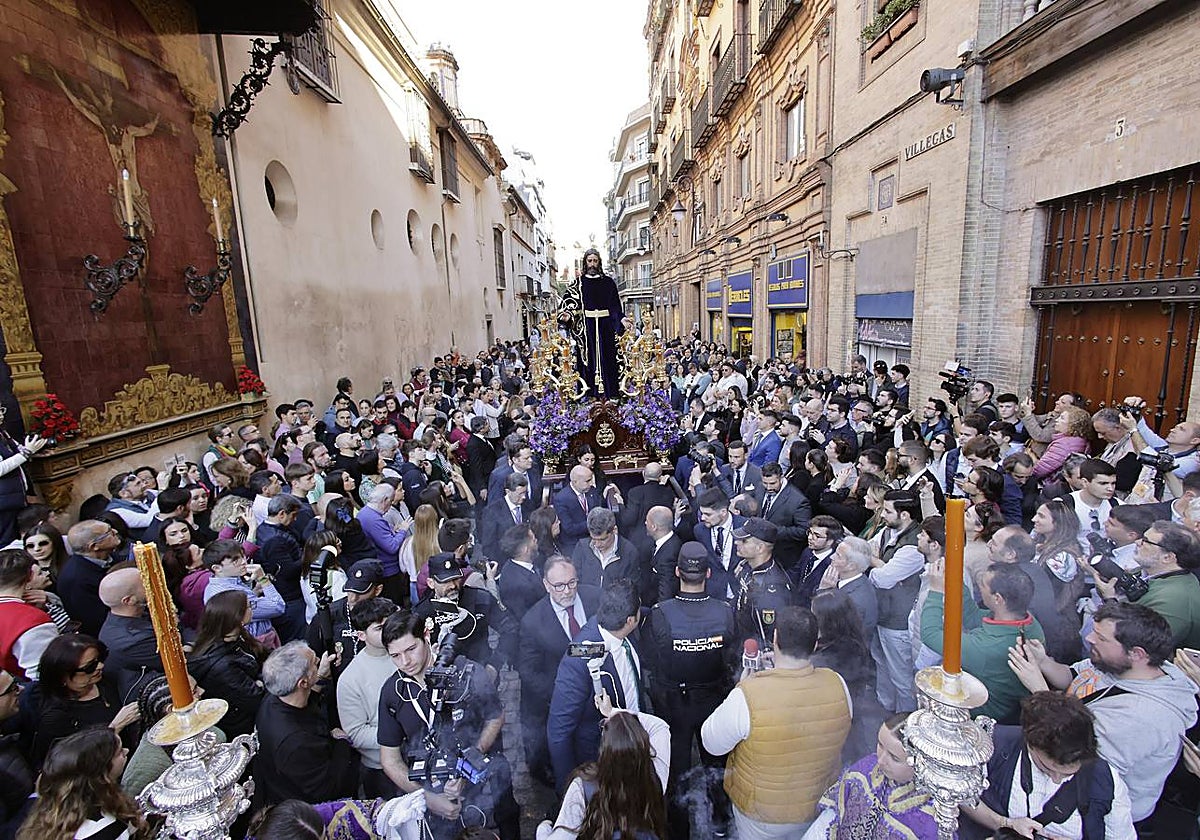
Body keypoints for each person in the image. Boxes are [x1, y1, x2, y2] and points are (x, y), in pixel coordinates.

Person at [1007, 600, 1198, 824]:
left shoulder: (1144, 716)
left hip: (1094, 805)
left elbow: (1075, 755)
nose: (1089, 638)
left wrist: (1039, 689)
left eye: (1101, 638)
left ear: (1137, 653)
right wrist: (1044, 663)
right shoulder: (1120, 664)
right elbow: (1075, 677)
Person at [702, 605, 852, 839]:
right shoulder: (838, 683)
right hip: (817, 805)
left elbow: (711, 743)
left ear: (775, 639)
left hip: (763, 816)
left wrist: (743, 687)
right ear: (814, 645)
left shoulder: (747, 696)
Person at [377, 610, 519, 840]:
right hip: (431, 793)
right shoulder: (393, 692)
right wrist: (428, 799)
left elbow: (495, 717)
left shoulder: (467, 672)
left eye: (411, 650)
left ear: (426, 635)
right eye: (395, 655)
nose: (405, 662)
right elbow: (390, 759)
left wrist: (468, 765)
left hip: (484, 784)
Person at [644, 544, 737, 838]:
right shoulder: (725, 612)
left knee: (677, 769)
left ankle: (678, 829)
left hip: (674, 702)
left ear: (676, 572)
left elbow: (650, 658)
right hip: (714, 699)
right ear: (708, 573)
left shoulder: (660, 614)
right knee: (716, 763)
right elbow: (731, 657)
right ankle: (720, 819)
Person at [961, 691, 1136, 840]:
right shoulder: (993, 745)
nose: (1056, 779)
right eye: (1046, 768)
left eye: (1067, 774)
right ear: (1030, 743)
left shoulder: (1106, 781)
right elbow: (961, 796)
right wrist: (1004, 823)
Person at [547, 579, 645, 791]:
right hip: (602, 758)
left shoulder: (623, 630)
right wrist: (571, 788)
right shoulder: (579, 657)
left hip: (633, 743)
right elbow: (558, 731)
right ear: (630, 620)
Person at [518, 557, 602, 788]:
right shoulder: (533, 622)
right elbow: (528, 670)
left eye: (572, 583)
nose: (567, 591)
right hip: (561, 701)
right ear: (546, 585)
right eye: (559, 586)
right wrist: (560, 696)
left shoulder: (595, 598)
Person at [536, 698, 670, 840]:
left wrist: (544, 827)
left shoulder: (583, 786)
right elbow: (659, 726)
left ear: (605, 749)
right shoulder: (657, 774)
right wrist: (613, 712)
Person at [802, 714, 941, 840]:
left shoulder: (932, 820)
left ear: (921, 764)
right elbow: (833, 815)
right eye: (880, 745)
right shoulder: (865, 769)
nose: (880, 760)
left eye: (894, 758)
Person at [253, 641, 360, 805]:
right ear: (302, 683)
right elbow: (327, 788)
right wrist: (342, 743)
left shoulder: (275, 697)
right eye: (315, 663)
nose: (319, 660)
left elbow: (305, 701)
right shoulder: (294, 742)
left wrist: (320, 675)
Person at [30, 633, 140, 769]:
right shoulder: (55, 717)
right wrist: (113, 728)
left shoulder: (104, 681)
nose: (99, 666)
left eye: (99, 659)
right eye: (90, 667)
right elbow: (72, 763)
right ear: (63, 677)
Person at [17, 727, 148, 840]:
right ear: (101, 772)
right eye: (119, 752)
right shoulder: (107, 831)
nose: (126, 751)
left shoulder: (47, 815)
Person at [336, 597, 401, 799]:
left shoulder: (407, 653)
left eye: (391, 622)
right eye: (380, 627)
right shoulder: (351, 678)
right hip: (381, 769)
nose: (389, 630)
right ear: (361, 635)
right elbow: (355, 733)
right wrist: (400, 734)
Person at [187, 589, 268, 737]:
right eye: (250, 606)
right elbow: (255, 699)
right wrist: (264, 679)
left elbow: (264, 654)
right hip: (243, 726)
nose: (253, 609)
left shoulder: (236, 636)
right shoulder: (222, 667)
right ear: (237, 617)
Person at [575, 248, 628, 398]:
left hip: (605, 326)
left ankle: (610, 393)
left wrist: (621, 319)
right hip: (587, 328)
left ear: (599, 262)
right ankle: (588, 394)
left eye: (595, 261)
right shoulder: (578, 284)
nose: (592, 264)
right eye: (589, 261)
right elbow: (571, 305)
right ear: (585, 263)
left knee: (608, 358)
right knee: (587, 360)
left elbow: (615, 307)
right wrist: (567, 316)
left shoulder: (608, 282)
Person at [0, 548, 57, 680]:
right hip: (19, 694)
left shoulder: (32, 615)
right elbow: (44, 675)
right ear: (30, 575)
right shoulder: (32, 619)